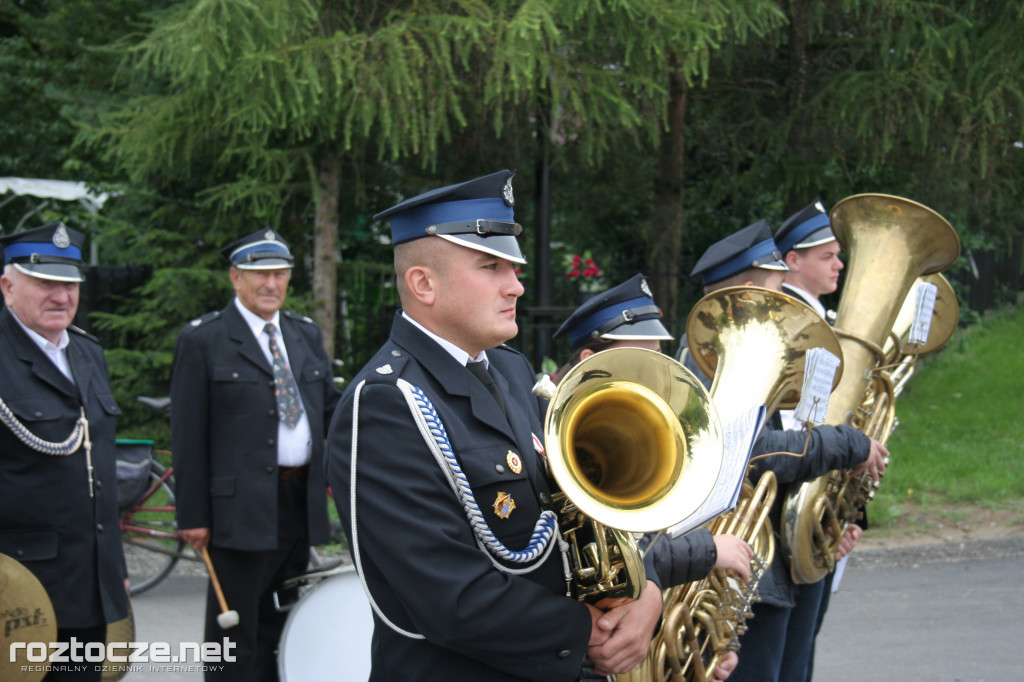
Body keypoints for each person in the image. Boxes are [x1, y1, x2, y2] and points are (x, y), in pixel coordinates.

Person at [324, 170, 664, 681]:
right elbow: (450, 598)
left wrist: (646, 591)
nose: (516, 285)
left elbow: (592, 509)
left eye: (514, 267)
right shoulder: (384, 404)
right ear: (423, 284)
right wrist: (586, 630)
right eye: (491, 267)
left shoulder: (509, 368)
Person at [674, 219, 888, 682]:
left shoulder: (753, 355)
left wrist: (834, 517)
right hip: (741, 559)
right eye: (776, 292)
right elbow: (750, 453)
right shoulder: (708, 358)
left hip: (773, 556)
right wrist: (847, 445)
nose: (785, 303)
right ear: (749, 292)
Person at [552, 273, 751, 681]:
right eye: (640, 363)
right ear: (590, 361)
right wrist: (707, 551)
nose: (655, 381)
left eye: (660, 362)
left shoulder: (647, 435)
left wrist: (699, 648)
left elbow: (644, 546)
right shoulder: (546, 435)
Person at [170, 229, 341, 681]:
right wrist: (192, 515)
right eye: (259, 274)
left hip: (296, 503)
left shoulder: (304, 334)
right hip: (236, 511)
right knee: (233, 632)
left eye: (280, 274)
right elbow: (187, 434)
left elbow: (328, 410)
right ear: (235, 278)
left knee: (281, 622)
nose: (271, 284)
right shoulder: (204, 340)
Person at [0, 222, 130, 681]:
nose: (61, 296)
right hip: (16, 593)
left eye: (69, 284)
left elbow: (100, 469)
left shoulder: (87, 353)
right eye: (45, 283)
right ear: (7, 286)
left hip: (89, 585)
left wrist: (114, 567)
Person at [775, 199, 866, 679]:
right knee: (794, 657)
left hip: (816, 507)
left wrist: (850, 509)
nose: (840, 264)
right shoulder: (798, 328)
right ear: (794, 261)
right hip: (797, 507)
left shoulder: (822, 324)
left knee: (803, 650)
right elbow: (801, 431)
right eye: (828, 256)